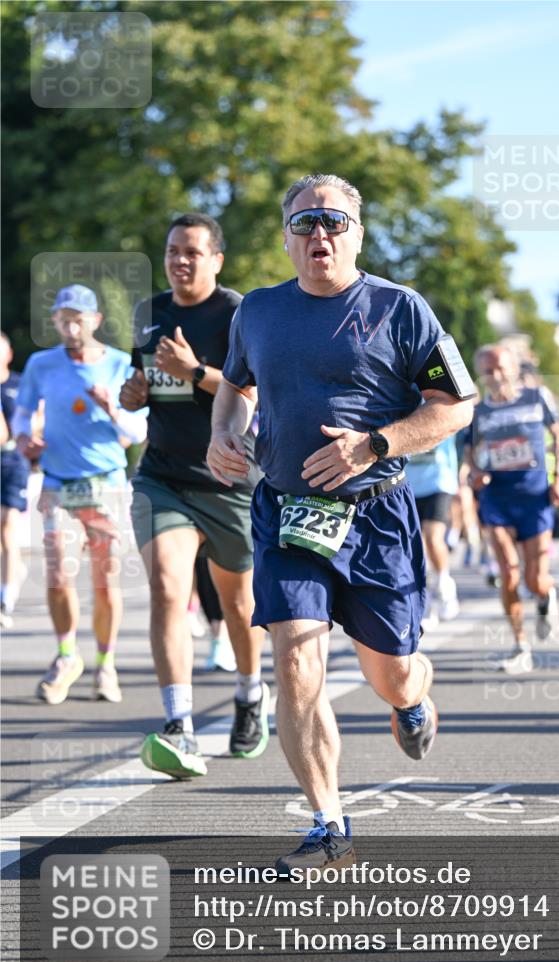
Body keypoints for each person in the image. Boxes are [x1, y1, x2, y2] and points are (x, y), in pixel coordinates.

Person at [207, 173, 475, 872]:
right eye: (303, 223)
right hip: (286, 513)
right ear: (287, 237)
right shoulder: (257, 312)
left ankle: (413, 695)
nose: (318, 235)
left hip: (376, 517)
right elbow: (235, 388)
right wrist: (223, 434)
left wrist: (376, 443)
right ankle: (330, 823)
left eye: (332, 222)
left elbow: (456, 407)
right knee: (295, 656)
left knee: (391, 675)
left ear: (356, 232)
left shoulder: (399, 307)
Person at [119, 212, 267, 779]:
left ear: (217, 260)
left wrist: (195, 369)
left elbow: (250, 391)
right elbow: (149, 387)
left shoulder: (236, 313)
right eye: (173, 251)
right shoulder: (148, 312)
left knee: (238, 605)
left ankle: (251, 694)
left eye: (193, 252)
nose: (181, 261)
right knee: (166, 588)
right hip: (163, 475)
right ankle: (178, 725)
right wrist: (134, 393)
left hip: (227, 478)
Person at [12, 284, 147, 703]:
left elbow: (137, 431)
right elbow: (21, 413)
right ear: (54, 320)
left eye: (78, 318)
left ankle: (106, 664)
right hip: (56, 484)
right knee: (57, 576)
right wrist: (22, 439)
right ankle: (67, 655)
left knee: (105, 582)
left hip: (105, 484)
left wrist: (111, 408)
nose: (70, 326)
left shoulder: (122, 365)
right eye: (62, 318)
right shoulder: (41, 364)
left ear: (95, 321)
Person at [466, 344, 559, 675]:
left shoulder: (537, 398)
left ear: (513, 368)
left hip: (534, 494)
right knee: (508, 571)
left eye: (499, 368)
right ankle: (520, 644)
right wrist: (475, 472)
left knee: (535, 578)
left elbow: (558, 437)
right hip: (497, 495)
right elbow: (469, 448)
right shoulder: (479, 412)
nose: (494, 376)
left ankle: (545, 595)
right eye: (487, 370)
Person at [405, 435, 460, 623]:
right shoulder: (398, 406)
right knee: (415, 547)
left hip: (439, 483)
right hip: (409, 485)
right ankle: (426, 602)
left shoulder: (440, 403)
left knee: (433, 537)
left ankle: (444, 583)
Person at [1, 332, 31, 627]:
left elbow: (27, 425)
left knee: (8, 526)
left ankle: (5, 600)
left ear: (9, 354)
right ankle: (14, 572)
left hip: (13, 463)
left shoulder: (19, 384)